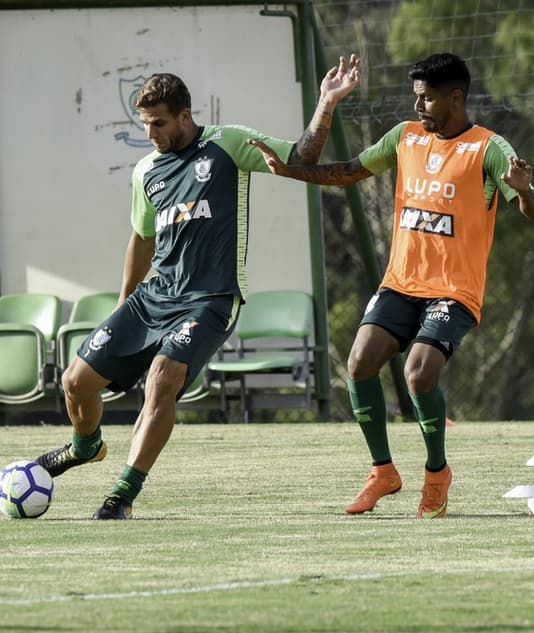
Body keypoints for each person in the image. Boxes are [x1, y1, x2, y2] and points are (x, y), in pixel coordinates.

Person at [32, 56, 362, 520]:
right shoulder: (146, 171)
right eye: (145, 123)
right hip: (153, 297)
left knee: (163, 378)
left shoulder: (227, 144)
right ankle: (86, 447)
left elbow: (301, 156)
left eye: (159, 123)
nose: (151, 133)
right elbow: (143, 239)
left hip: (210, 298)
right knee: (75, 382)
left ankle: (121, 496)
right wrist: (124, 306)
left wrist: (326, 102)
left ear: (185, 116)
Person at [248, 52, 533, 519]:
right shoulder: (404, 137)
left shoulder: (489, 147)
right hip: (402, 282)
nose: (418, 105)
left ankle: (437, 473)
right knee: (359, 362)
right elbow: (349, 171)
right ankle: (384, 472)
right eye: (415, 96)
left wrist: (523, 190)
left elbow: (530, 208)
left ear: (456, 97)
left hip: (453, 289)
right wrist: (291, 170)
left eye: (427, 97)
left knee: (419, 373)